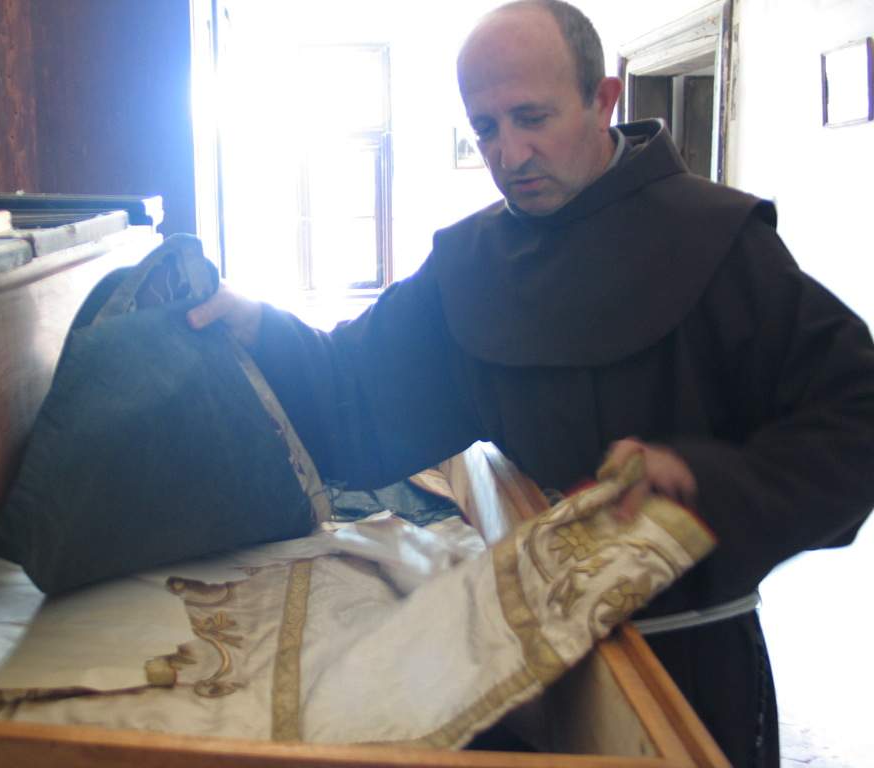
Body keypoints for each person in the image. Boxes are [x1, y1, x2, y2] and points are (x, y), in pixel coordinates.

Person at [187, 1, 874, 765]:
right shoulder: (470, 264)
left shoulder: (720, 242)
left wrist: (707, 484)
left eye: (531, 117)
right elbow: (354, 383)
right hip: (525, 658)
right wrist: (257, 324)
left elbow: (857, 416)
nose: (509, 153)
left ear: (602, 99)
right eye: (485, 127)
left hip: (689, 664)